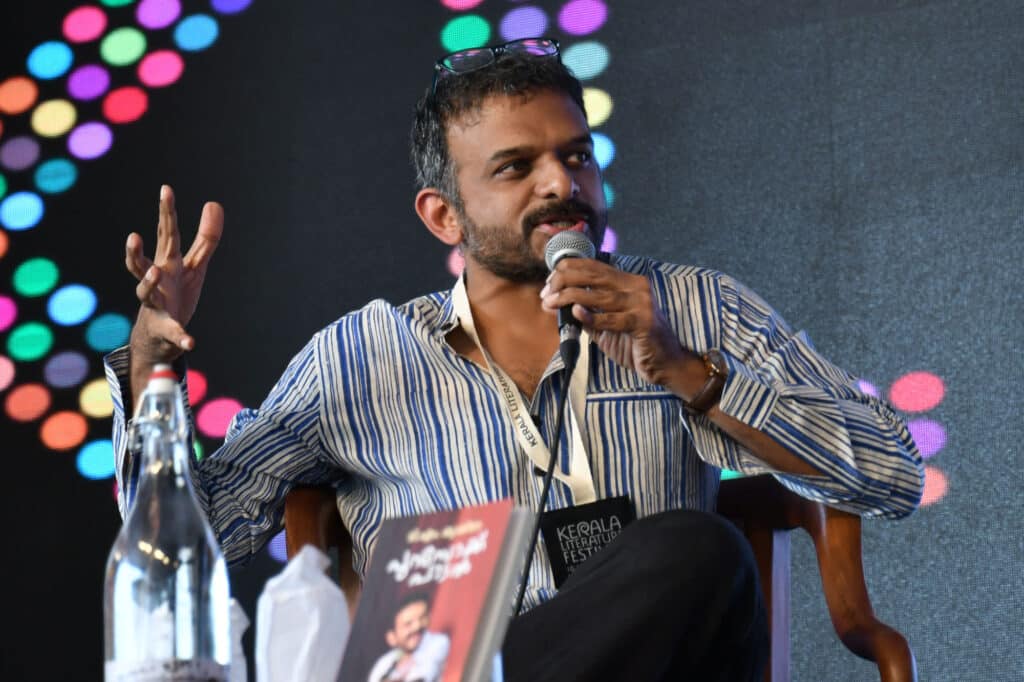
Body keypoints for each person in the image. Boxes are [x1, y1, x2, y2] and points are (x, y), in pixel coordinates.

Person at [106, 38, 924, 680]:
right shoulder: (360, 355)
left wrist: (689, 374)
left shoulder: (693, 307)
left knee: (698, 552)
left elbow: (894, 471)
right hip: (449, 663)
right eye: (516, 167)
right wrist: (150, 367)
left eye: (577, 156)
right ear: (444, 216)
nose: (560, 185)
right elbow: (188, 540)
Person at [367, 593, 450, 682]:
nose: (417, 627)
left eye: (422, 618)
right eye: (408, 624)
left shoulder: (438, 643)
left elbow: (424, 675)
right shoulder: (383, 664)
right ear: (392, 638)